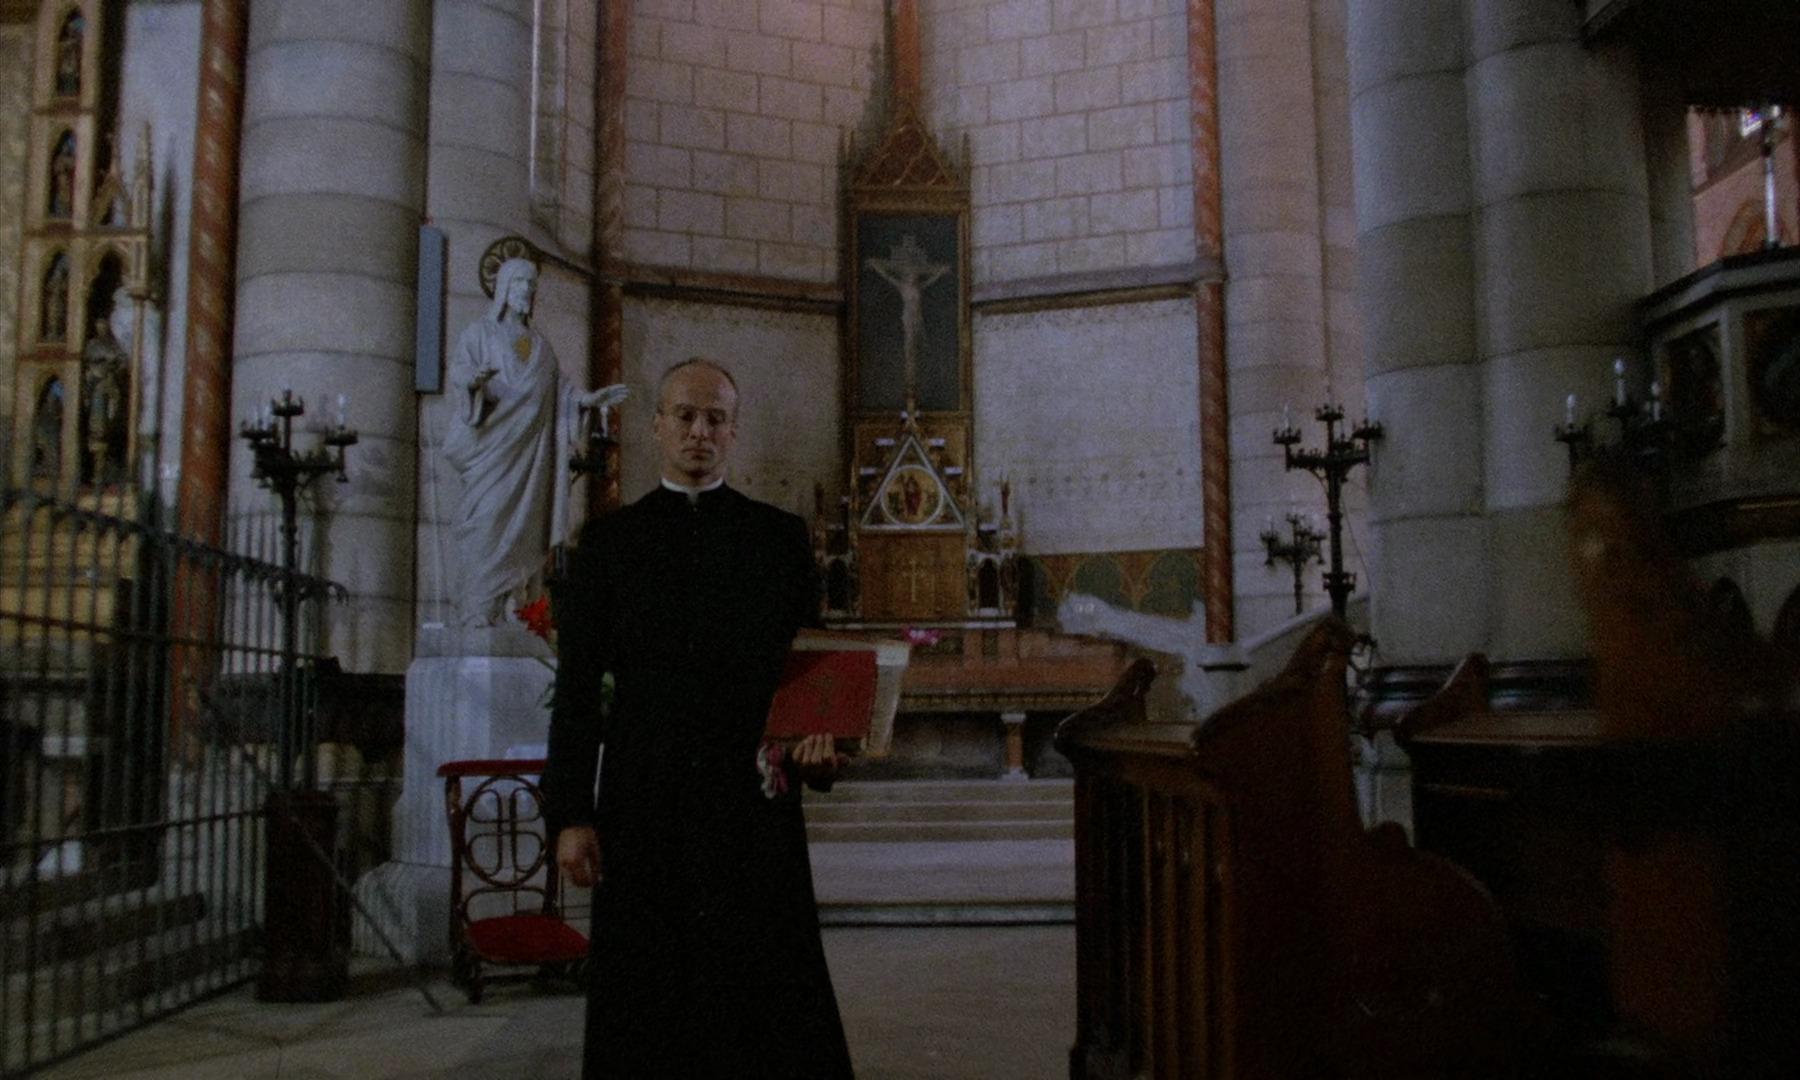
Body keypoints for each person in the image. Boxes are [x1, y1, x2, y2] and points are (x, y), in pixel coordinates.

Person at [543, 357, 855, 1078]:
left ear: (735, 432)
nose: (699, 432)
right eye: (684, 415)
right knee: (648, 998)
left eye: (716, 418)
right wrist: (570, 814)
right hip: (642, 802)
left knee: (762, 996)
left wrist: (822, 751)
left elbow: (811, 676)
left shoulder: (778, 539)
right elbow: (577, 690)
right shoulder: (610, 545)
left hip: (751, 804)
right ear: (656, 426)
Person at [443, 257, 627, 625]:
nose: (526, 290)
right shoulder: (480, 334)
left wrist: (586, 401)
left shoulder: (540, 346)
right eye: (519, 283)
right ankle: (476, 612)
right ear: (503, 289)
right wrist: (473, 382)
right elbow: (460, 372)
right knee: (487, 524)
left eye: (531, 284)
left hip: (529, 459)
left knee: (521, 534)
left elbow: (559, 391)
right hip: (493, 454)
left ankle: (511, 607)